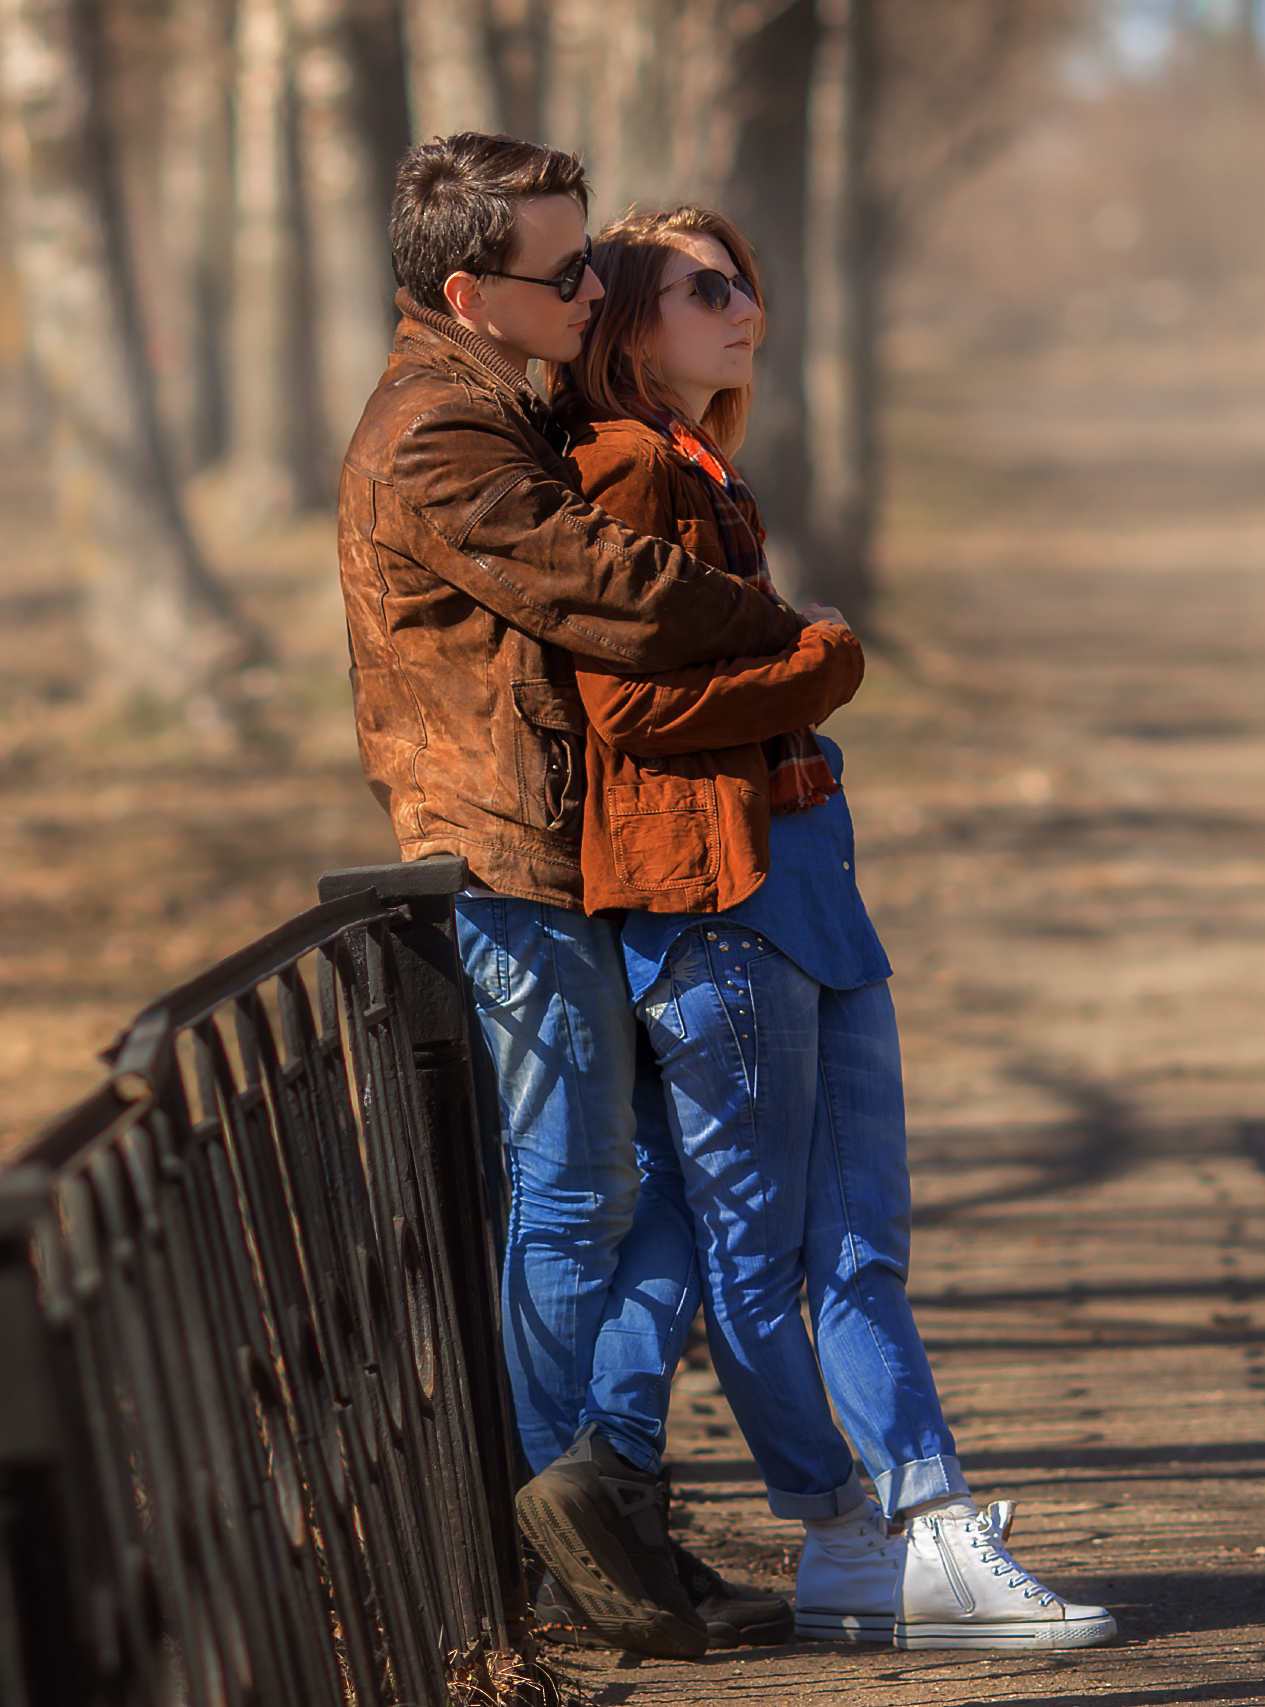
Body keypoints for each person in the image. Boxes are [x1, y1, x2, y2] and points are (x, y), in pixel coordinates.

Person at [545, 205, 1119, 1652]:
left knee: (858, 1237)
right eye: (709, 288)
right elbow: (629, 712)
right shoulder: (621, 469)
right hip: (718, 894)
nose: (747, 308)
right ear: (626, 316)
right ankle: (885, 1524)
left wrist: (803, 670)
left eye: (751, 286)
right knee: (754, 1252)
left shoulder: (699, 466)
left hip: (804, 879)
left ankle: (881, 1543)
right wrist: (815, 666)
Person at [341, 134, 802, 1657]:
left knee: (619, 1189)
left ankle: (611, 1521)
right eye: (568, 269)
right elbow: (605, 583)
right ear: (471, 291)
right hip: (500, 858)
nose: (596, 283)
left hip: (554, 848)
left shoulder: (495, 401)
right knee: (577, 1194)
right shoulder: (437, 438)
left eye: (597, 254)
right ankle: (563, 1542)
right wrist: (786, 633)